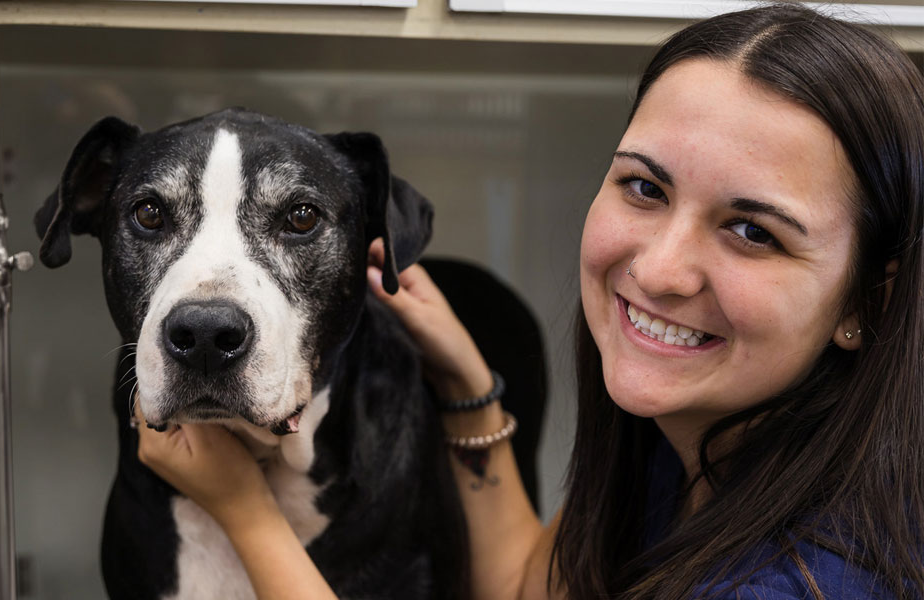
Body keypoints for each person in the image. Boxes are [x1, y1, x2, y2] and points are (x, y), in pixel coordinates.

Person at [135, 3, 924, 598]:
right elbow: (529, 586)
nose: (659, 270)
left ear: (870, 303)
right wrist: (464, 383)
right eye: (645, 187)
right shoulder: (692, 445)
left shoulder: (811, 578)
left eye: (752, 231)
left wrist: (245, 512)